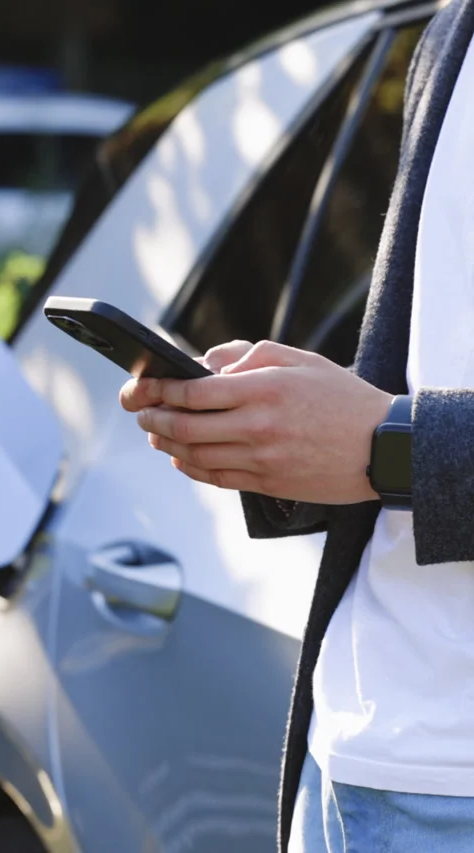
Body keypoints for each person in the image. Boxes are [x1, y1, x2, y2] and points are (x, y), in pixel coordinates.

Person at [120, 0, 474, 848]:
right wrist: (285, 432)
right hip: (345, 758)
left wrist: (390, 446)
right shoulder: (450, 34)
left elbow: (399, 442)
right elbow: (422, 381)